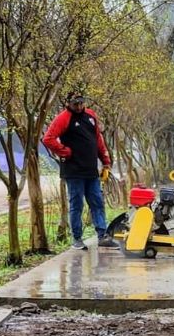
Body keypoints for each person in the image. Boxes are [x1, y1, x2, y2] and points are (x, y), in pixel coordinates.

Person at [42, 91, 119, 250]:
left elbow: (98, 139)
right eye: (75, 104)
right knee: (76, 205)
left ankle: (102, 235)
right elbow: (48, 139)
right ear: (68, 103)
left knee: (97, 202)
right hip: (74, 171)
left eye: (81, 103)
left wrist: (105, 160)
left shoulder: (91, 116)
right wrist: (65, 152)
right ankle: (77, 238)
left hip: (91, 170)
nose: (78, 106)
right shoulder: (63, 118)